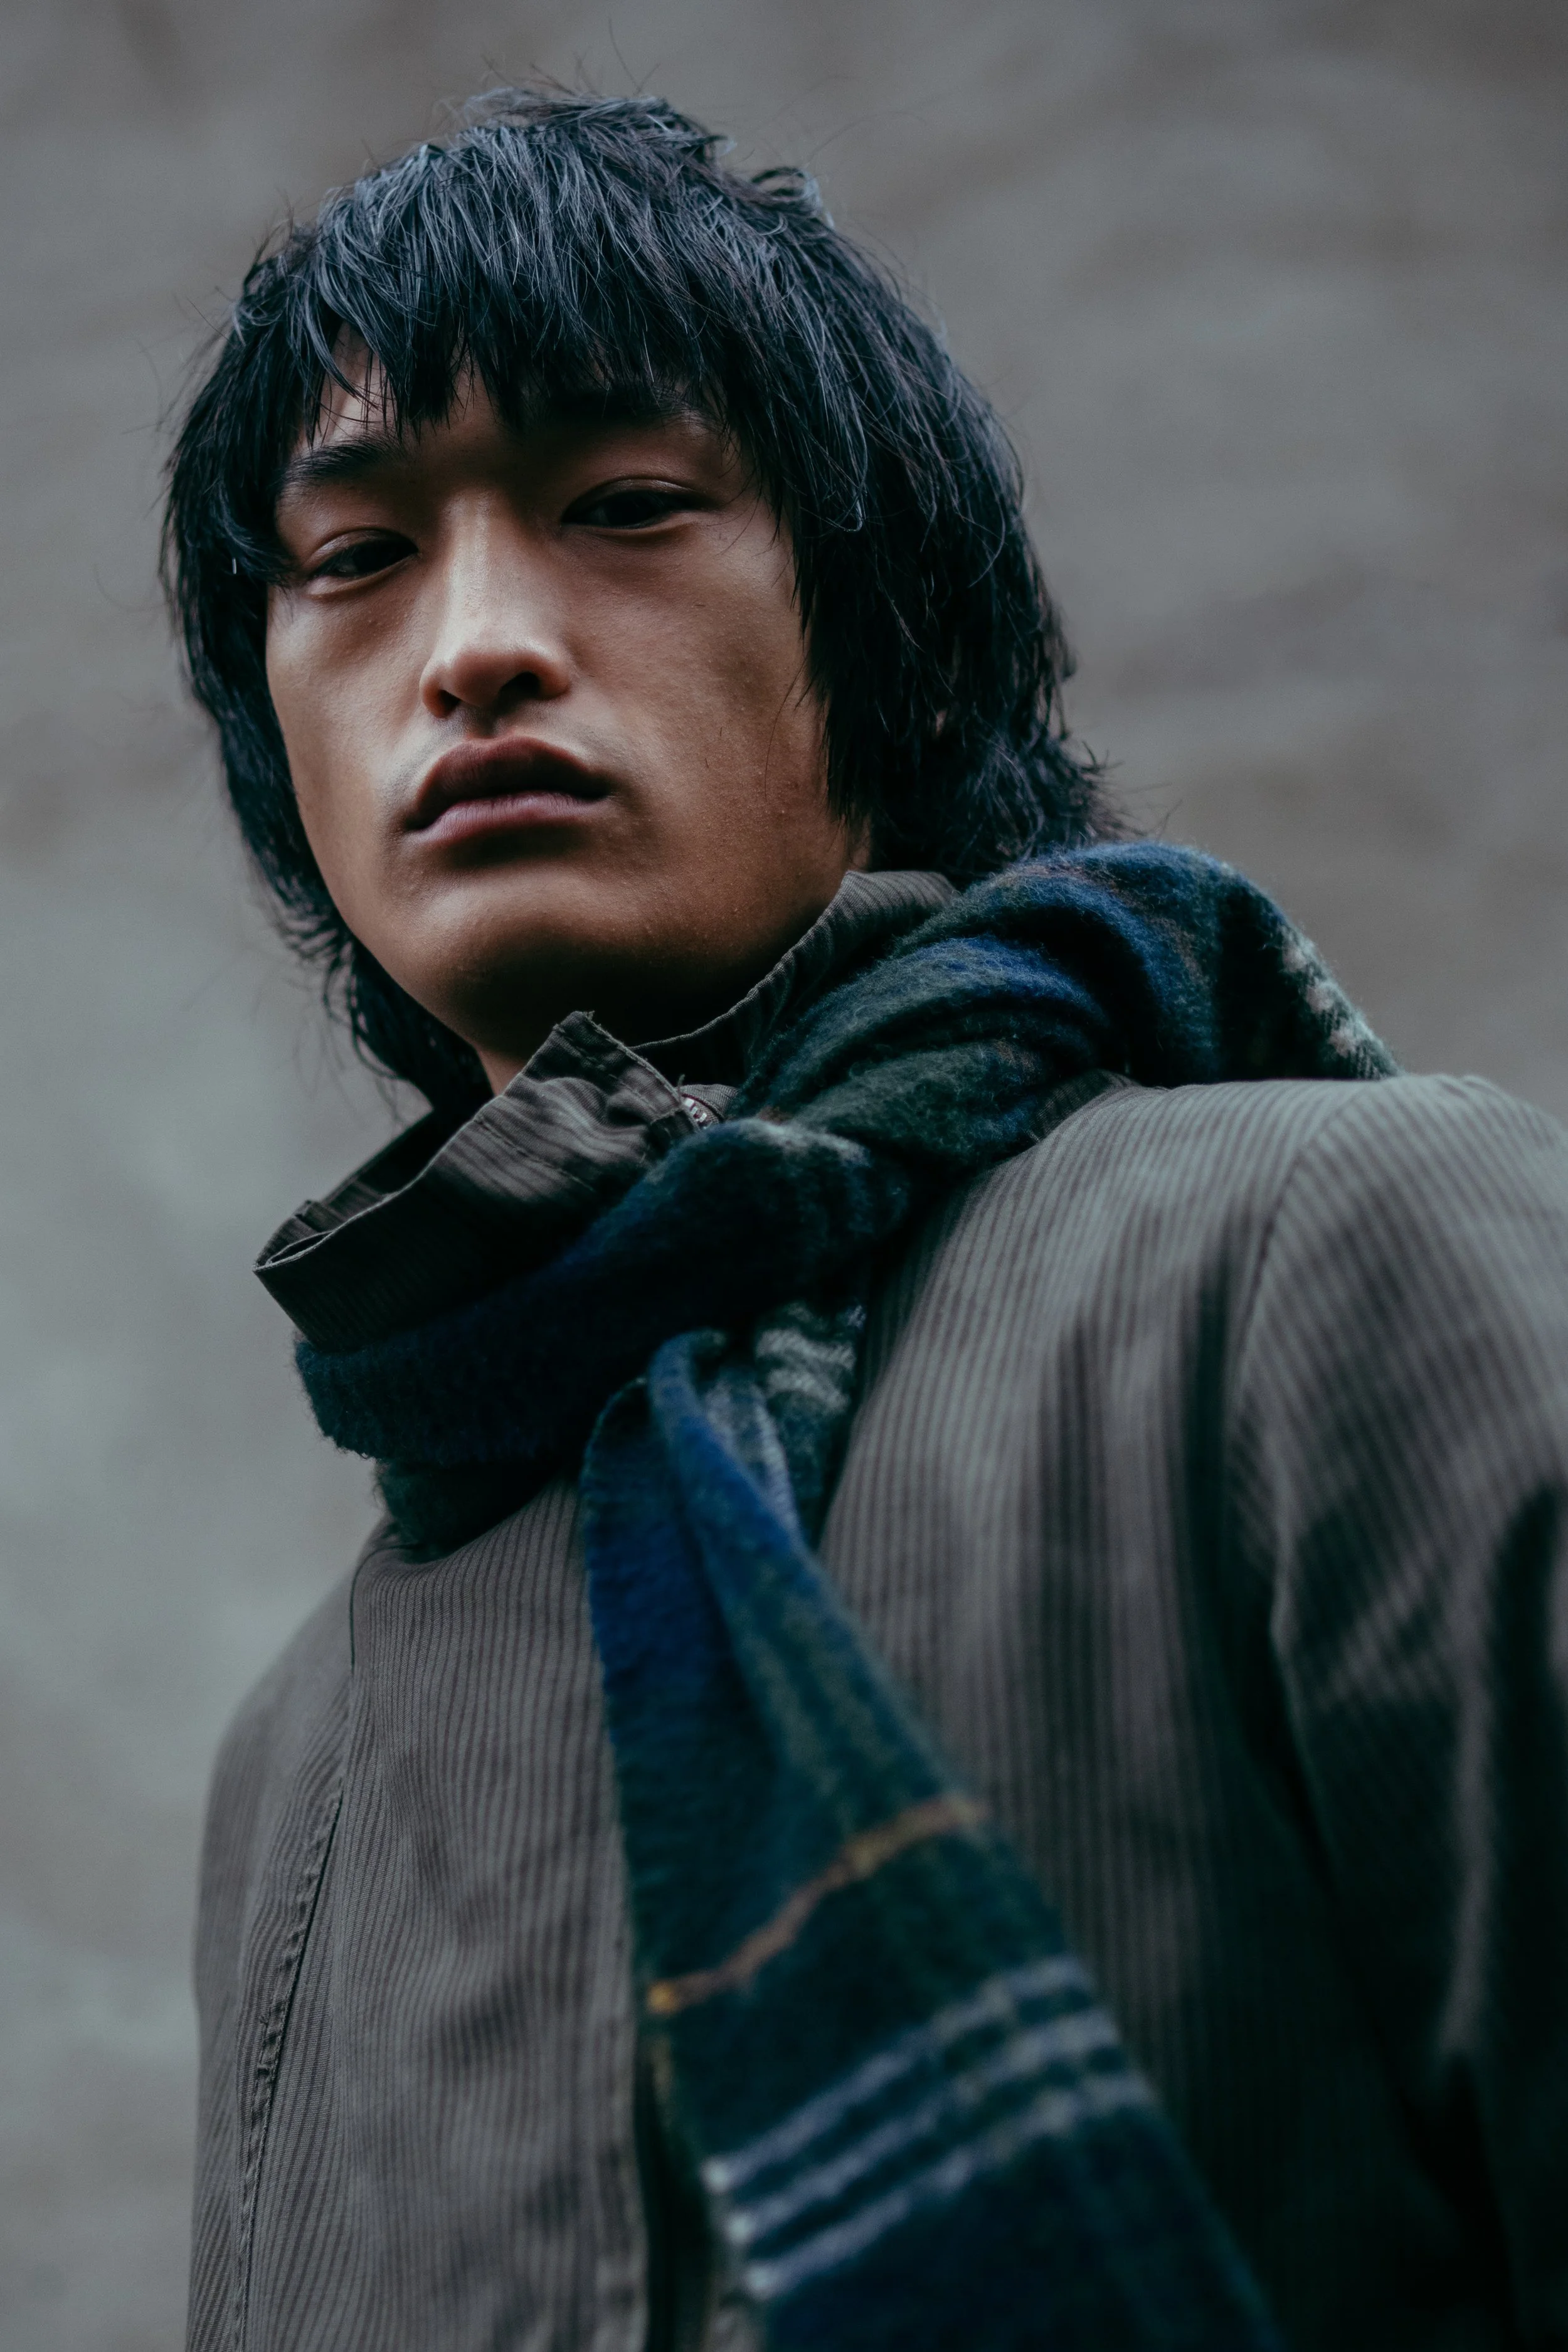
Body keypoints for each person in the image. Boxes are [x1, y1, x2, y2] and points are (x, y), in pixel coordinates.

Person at [163, 89, 1568, 2352]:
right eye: (353, 560)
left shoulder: (1346, 1266)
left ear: (885, 637)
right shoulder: (295, 1757)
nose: (479, 644)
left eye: (626, 505)